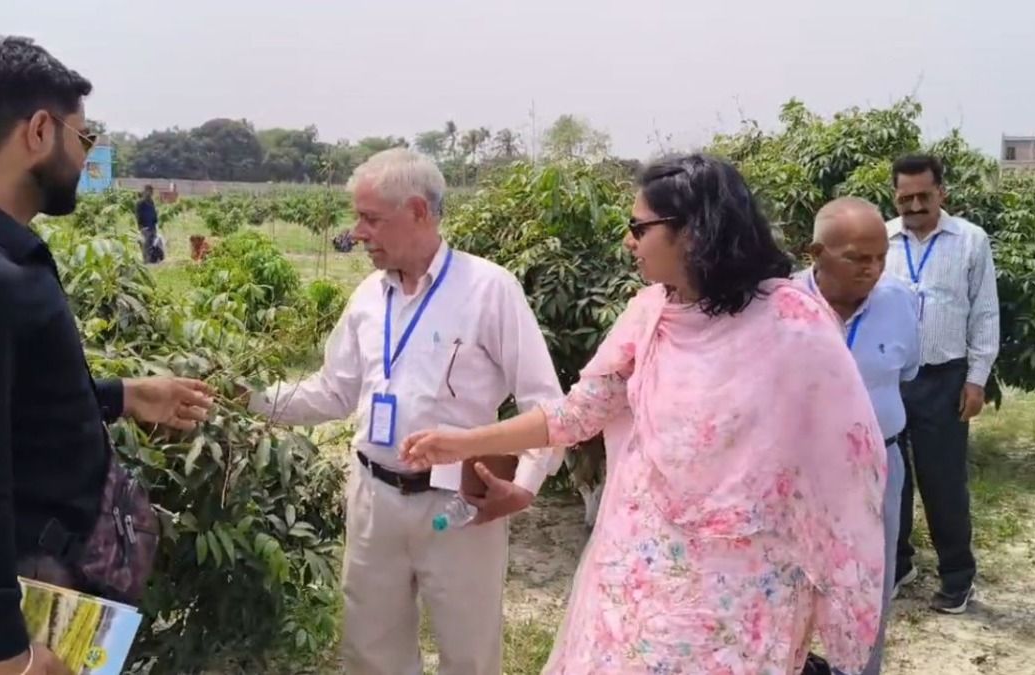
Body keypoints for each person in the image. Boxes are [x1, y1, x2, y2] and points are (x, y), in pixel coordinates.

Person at [402, 154, 889, 674]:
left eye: (640, 227)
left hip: (742, 583)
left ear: (694, 233)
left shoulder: (794, 324)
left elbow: (847, 455)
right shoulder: (650, 315)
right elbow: (577, 414)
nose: (628, 241)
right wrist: (464, 441)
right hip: (640, 570)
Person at [0, 36, 214, 675]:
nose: (86, 160)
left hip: (25, 575)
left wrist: (125, 395)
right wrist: (8, 657)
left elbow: (10, 409)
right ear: (40, 131)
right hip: (21, 591)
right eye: (83, 140)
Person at [243, 148, 564, 674]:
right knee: (371, 650)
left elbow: (546, 402)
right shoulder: (369, 296)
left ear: (418, 212)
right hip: (374, 497)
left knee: (468, 653)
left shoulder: (489, 289)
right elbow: (333, 391)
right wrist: (250, 398)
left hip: (459, 504)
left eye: (371, 218)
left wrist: (524, 485)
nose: (358, 232)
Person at [795, 197, 921, 675]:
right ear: (816, 253)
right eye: (856, 258)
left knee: (871, 583)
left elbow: (906, 369)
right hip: (800, 473)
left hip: (879, 468)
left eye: (879, 258)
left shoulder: (901, 301)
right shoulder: (783, 307)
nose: (872, 269)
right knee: (794, 580)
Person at [885, 154, 1000, 614]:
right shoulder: (882, 240)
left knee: (943, 481)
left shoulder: (970, 240)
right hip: (890, 378)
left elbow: (985, 312)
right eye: (905, 196)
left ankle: (957, 575)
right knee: (891, 480)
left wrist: (976, 379)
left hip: (944, 378)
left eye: (924, 196)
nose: (914, 204)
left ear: (942, 194)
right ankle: (898, 563)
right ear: (895, 196)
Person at [136, 184, 160, 263]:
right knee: (146, 244)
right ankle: (146, 260)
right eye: (149, 191)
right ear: (145, 192)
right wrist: (141, 227)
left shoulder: (151, 202)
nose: (151, 193)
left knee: (151, 243)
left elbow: (153, 213)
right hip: (145, 227)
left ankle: (150, 260)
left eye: (152, 192)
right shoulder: (140, 203)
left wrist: (155, 222)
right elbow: (138, 215)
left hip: (152, 226)